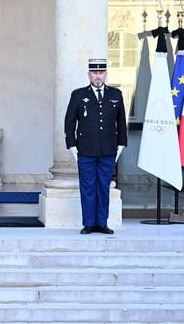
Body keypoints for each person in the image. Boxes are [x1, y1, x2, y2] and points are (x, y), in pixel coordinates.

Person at [64, 58, 127, 235]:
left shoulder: (115, 94)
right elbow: (69, 122)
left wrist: (121, 144)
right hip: (85, 150)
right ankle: (89, 223)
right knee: (88, 187)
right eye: (94, 73)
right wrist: (72, 146)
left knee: (103, 187)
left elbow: (121, 122)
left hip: (108, 150)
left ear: (105, 74)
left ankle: (102, 222)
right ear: (89, 75)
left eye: (101, 73)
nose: (98, 76)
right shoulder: (78, 95)